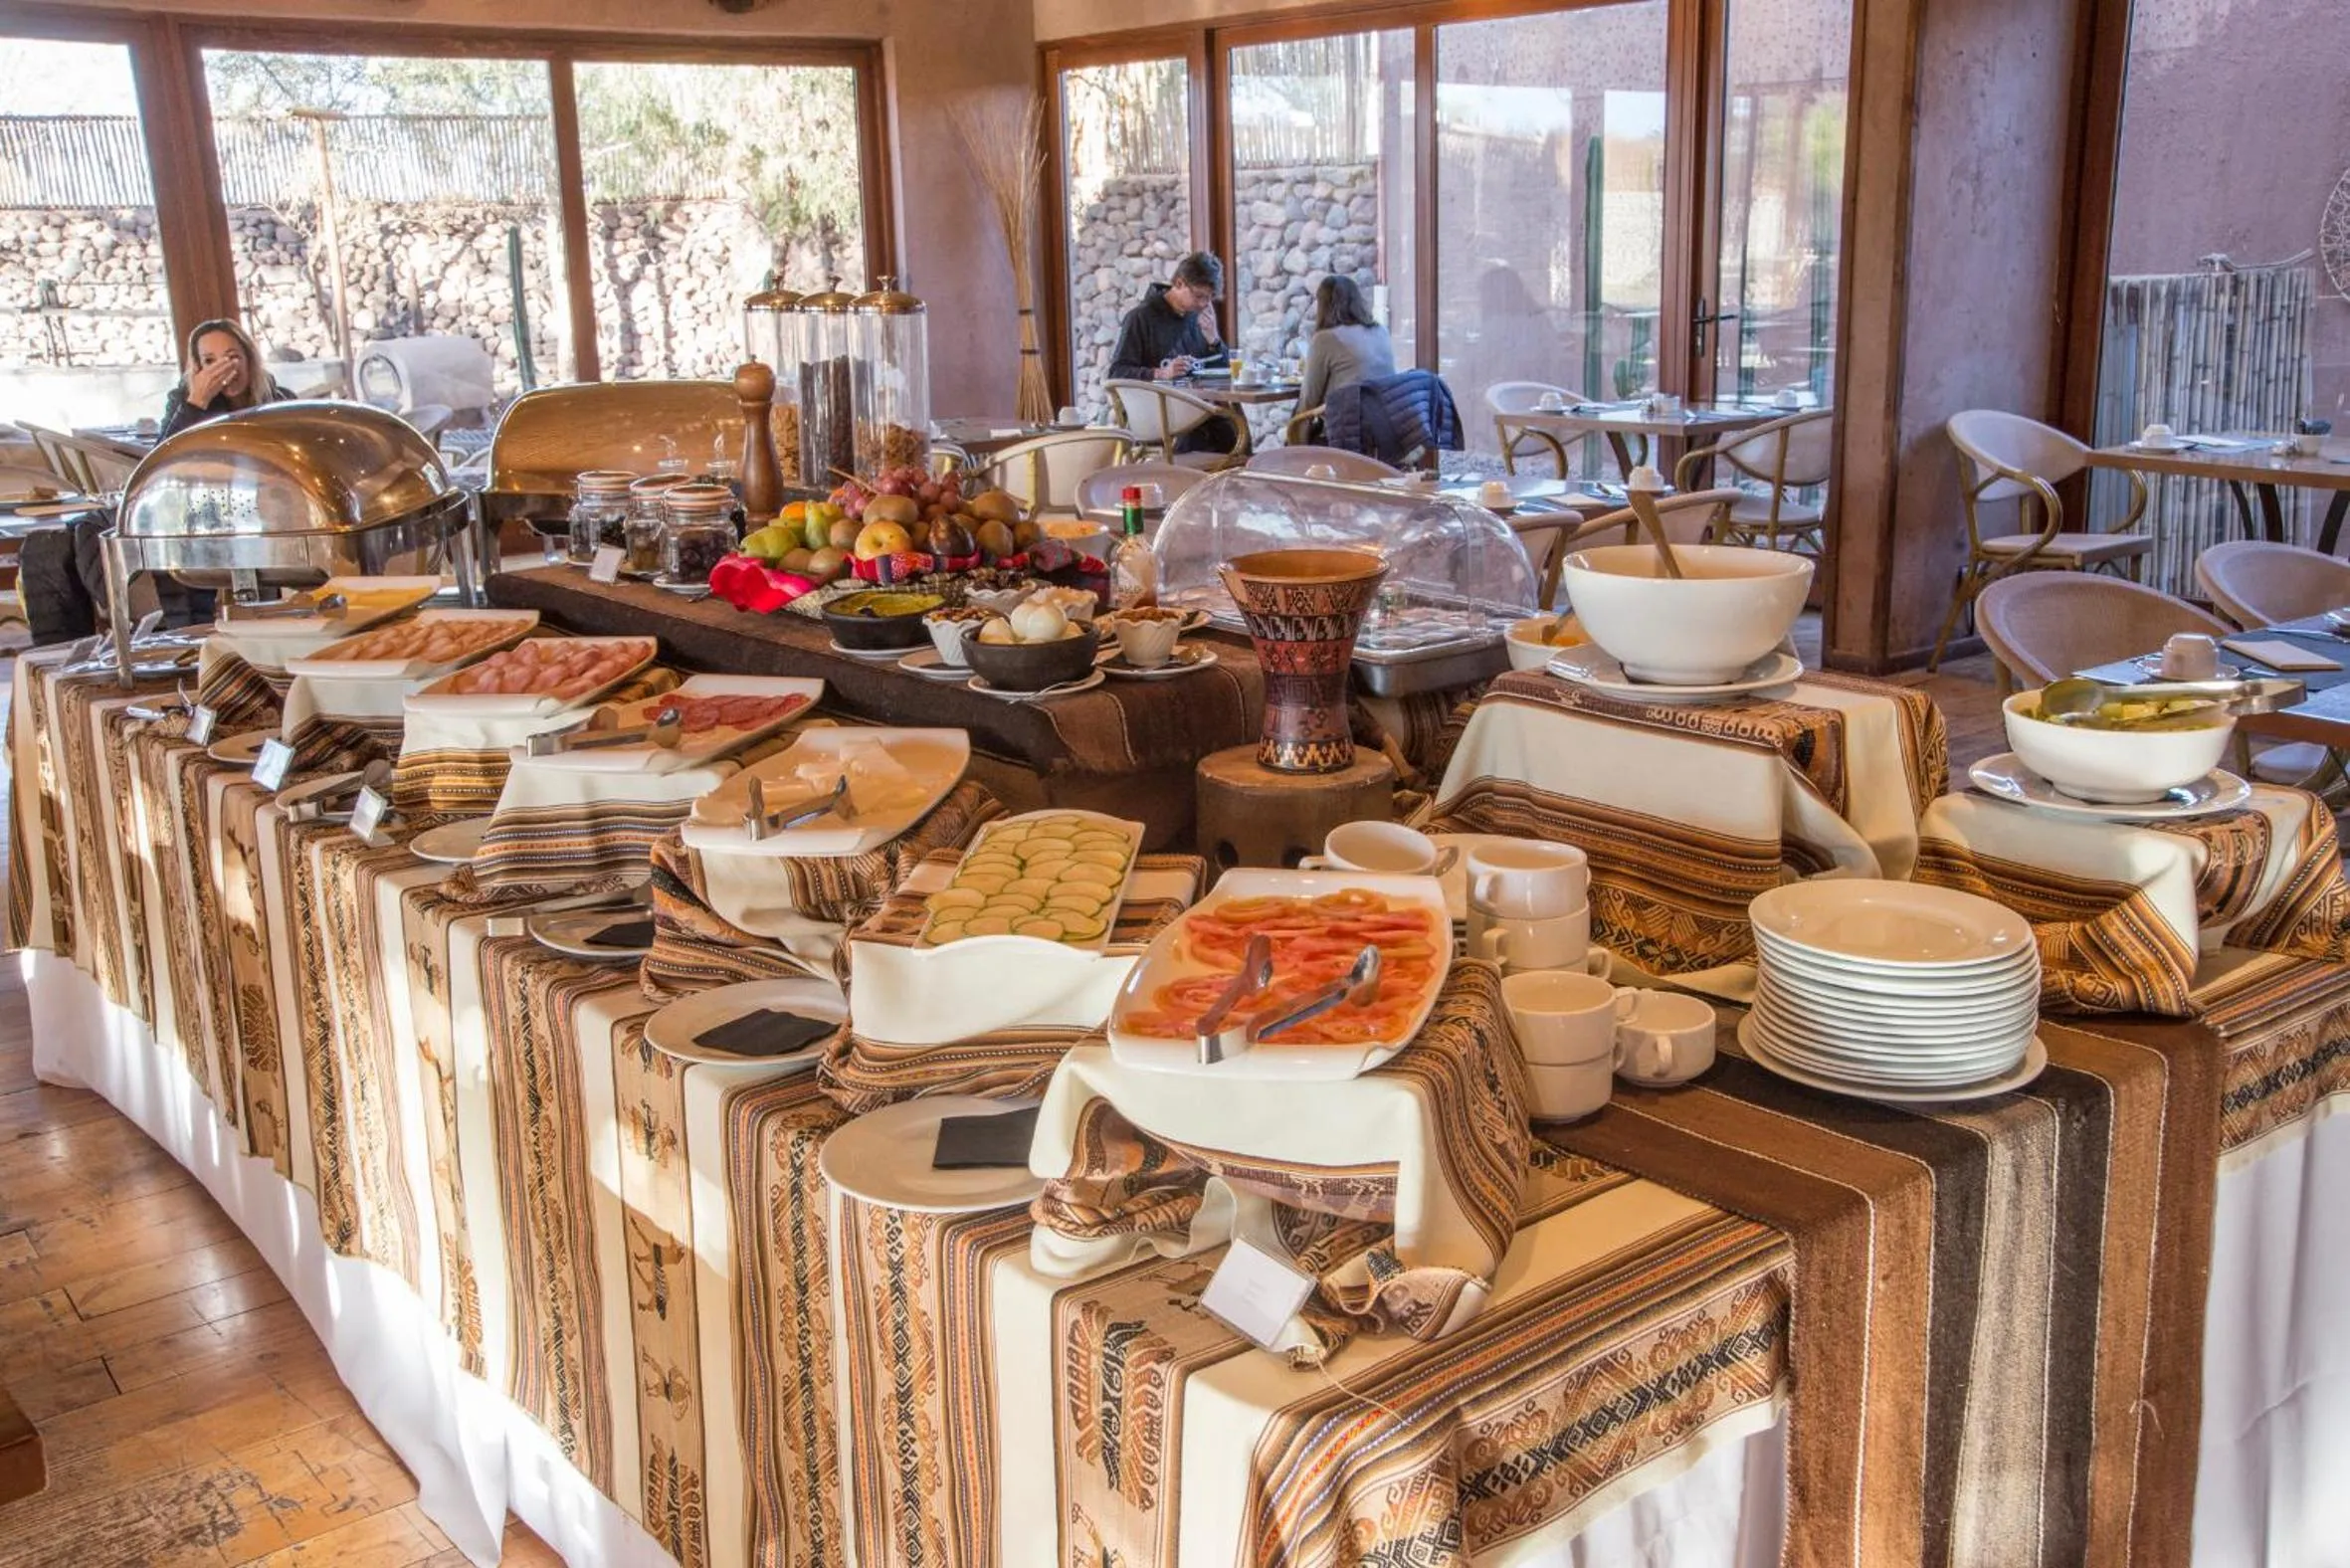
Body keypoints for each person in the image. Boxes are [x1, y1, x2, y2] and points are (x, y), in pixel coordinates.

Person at [1105, 252, 1239, 455]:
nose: (1204, 304)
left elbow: (1225, 374)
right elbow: (1117, 372)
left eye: (1210, 298)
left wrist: (1214, 340)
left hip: (1195, 407)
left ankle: (1218, 482)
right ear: (1178, 283)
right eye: (1199, 296)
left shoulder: (1198, 317)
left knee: (1235, 431)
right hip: (1155, 410)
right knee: (1209, 435)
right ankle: (1186, 481)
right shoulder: (1140, 318)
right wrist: (1161, 373)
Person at [159, 318, 290, 439]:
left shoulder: (279, 399)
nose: (223, 368)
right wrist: (196, 403)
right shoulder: (181, 401)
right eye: (209, 361)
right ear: (199, 367)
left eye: (232, 357)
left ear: (249, 359)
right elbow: (159, 459)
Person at [1295, 275, 1397, 414]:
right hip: (1386, 422)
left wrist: (1295, 432)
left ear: (1322, 305)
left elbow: (1308, 400)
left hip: (1350, 426)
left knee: (1298, 414)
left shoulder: (1325, 339)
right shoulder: (1381, 331)